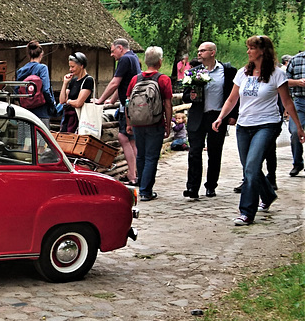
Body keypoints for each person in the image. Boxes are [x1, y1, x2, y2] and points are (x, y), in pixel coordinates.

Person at [212, 35, 305, 226]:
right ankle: (268, 194)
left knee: (251, 167)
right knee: (250, 167)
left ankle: (246, 212)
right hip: (244, 125)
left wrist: (299, 127)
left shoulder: (277, 74)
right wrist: (220, 117)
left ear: (262, 50)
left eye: (251, 48)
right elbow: (232, 99)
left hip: (267, 124)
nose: (248, 51)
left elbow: (287, 102)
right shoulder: (242, 73)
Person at [182, 42, 238, 199]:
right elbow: (186, 95)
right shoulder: (193, 72)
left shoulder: (227, 72)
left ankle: (211, 185)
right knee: (194, 152)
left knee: (214, 152)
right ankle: (192, 187)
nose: (199, 53)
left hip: (217, 116)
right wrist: (190, 96)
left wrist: (233, 115)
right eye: (198, 51)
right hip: (198, 116)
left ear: (212, 52)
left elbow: (233, 95)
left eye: (203, 51)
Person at [125, 46, 173, 201]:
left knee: (141, 156)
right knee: (152, 157)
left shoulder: (135, 79)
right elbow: (167, 104)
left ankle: (142, 186)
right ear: (160, 62)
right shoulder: (163, 79)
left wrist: (128, 123)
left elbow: (128, 103)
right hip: (155, 123)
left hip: (138, 123)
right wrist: (167, 123)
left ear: (145, 61)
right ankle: (146, 191)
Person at [96, 38, 141, 185]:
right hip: (133, 104)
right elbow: (124, 84)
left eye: (112, 51)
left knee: (123, 138)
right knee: (132, 140)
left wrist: (101, 100)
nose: (111, 55)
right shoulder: (133, 57)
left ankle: (132, 175)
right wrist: (112, 100)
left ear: (120, 48)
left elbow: (115, 82)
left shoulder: (124, 60)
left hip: (128, 106)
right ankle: (136, 173)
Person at [16, 40, 57, 128]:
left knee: (24, 139)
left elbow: (16, 90)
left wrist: (24, 103)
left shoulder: (21, 71)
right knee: (41, 140)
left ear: (28, 55)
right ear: (41, 54)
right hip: (41, 111)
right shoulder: (42, 68)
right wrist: (52, 104)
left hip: (25, 113)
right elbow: (46, 89)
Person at [59, 52, 94, 132]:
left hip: (80, 119)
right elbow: (62, 100)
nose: (70, 69)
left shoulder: (88, 80)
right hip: (68, 118)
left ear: (81, 66)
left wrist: (68, 101)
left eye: (73, 67)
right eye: (70, 67)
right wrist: (65, 83)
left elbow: (78, 103)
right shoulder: (73, 81)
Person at [286, 49, 305, 176]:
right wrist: (298, 82)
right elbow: (284, 81)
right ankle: (297, 163)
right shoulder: (295, 60)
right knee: (294, 131)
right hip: (299, 101)